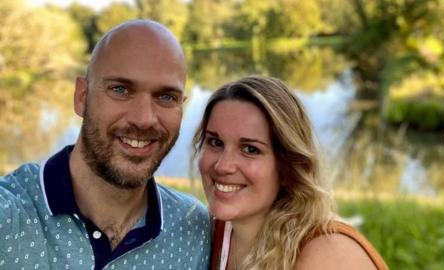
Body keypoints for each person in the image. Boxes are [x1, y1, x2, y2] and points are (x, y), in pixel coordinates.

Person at [0, 20, 211, 270]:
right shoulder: (10, 217)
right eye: (120, 89)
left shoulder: (194, 231)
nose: (143, 119)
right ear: (82, 96)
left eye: (166, 97)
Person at [192, 75, 388, 270]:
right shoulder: (210, 234)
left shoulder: (328, 254)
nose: (223, 166)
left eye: (250, 149)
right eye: (215, 143)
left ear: (288, 166)